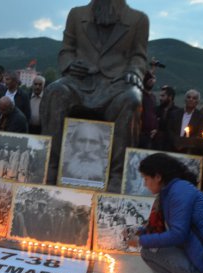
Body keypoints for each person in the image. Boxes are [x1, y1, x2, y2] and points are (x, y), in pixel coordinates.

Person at [40, 0, 149, 192]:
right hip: (80, 81)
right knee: (55, 91)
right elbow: (67, 48)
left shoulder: (138, 19)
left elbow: (139, 56)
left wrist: (134, 71)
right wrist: (70, 64)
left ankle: (117, 176)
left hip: (115, 83)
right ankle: (50, 166)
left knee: (132, 99)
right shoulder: (76, 14)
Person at [60, 121, 110, 186]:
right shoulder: (60, 173)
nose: (87, 149)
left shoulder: (110, 179)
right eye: (81, 141)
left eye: (93, 142)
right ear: (72, 144)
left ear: (102, 148)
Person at [153, 85, 180, 151]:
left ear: (170, 97)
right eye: (160, 96)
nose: (160, 98)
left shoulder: (177, 112)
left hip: (170, 146)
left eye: (163, 96)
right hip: (156, 145)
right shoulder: (156, 110)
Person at [139, 71, 158, 149]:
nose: (151, 82)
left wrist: (156, 128)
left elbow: (154, 114)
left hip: (151, 134)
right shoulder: (140, 95)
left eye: (153, 81)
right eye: (149, 80)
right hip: (140, 132)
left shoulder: (153, 97)